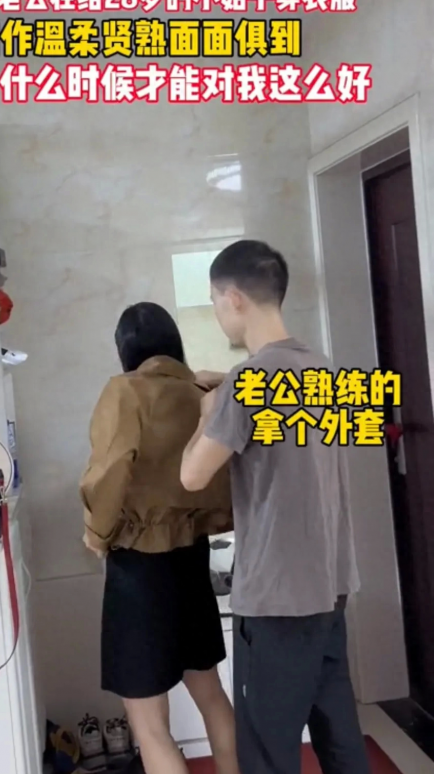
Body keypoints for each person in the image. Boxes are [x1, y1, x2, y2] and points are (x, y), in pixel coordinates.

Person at [181, 240, 370, 774]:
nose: (218, 313)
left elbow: (192, 476)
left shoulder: (246, 384)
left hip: (275, 600)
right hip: (330, 585)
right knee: (339, 736)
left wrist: (208, 411)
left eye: (215, 301)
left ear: (234, 298)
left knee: (266, 752)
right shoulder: (325, 370)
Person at [81, 302, 239, 774]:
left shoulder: (125, 390)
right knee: (211, 694)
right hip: (191, 558)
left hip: (139, 567)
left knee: (148, 723)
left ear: (125, 349)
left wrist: (96, 534)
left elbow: (109, 471)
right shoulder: (202, 392)